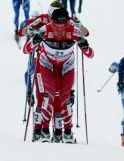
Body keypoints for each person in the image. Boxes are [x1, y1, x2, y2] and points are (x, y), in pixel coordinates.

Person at [29, 8, 94, 143]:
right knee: (49, 93)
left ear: (68, 24)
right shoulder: (45, 30)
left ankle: (68, 132)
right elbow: (26, 50)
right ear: (52, 22)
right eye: (56, 28)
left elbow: (90, 55)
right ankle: (44, 130)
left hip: (66, 65)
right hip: (47, 64)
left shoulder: (74, 31)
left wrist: (85, 46)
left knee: (65, 97)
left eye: (62, 29)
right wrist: (35, 40)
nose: (59, 32)